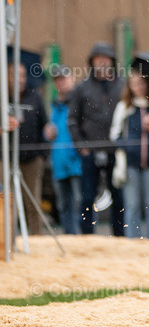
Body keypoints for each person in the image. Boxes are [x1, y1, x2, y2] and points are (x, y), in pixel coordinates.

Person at [68, 42, 124, 235]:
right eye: (97, 58)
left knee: (118, 195)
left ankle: (119, 235)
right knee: (87, 196)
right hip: (89, 150)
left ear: (112, 61)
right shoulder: (82, 88)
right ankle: (86, 235)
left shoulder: (121, 85)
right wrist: (81, 146)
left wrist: (122, 144)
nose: (101, 62)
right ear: (92, 62)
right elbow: (72, 120)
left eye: (105, 58)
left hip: (115, 150)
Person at [110, 68, 149, 240]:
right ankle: (133, 241)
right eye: (133, 84)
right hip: (131, 164)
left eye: (140, 83)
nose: (137, 87)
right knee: (132, 205)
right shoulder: (124, 107)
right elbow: (115, 136)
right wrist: (129, 147)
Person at [10, 63, 49, 235]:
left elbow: (45, 125)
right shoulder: (2, 96)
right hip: (6, 159)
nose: (20, 80)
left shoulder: (35, 96)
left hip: (32, 159)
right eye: (15, 75)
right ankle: (7, 240)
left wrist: (43, 155)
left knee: (33, 202)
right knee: (7, 202)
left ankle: (36, 240)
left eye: (23, 75)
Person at [45, 66, 82, 235]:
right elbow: (50, 132)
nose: (60, 82)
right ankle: (69, 238)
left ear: (72, 78)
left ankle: (85, 239)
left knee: (81, 203)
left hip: (77, 162)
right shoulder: (54, 106)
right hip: (59, 163)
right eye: (57, 79)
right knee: (63, 204)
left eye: (64, 78)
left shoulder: (79, 101)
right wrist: (46, 133)